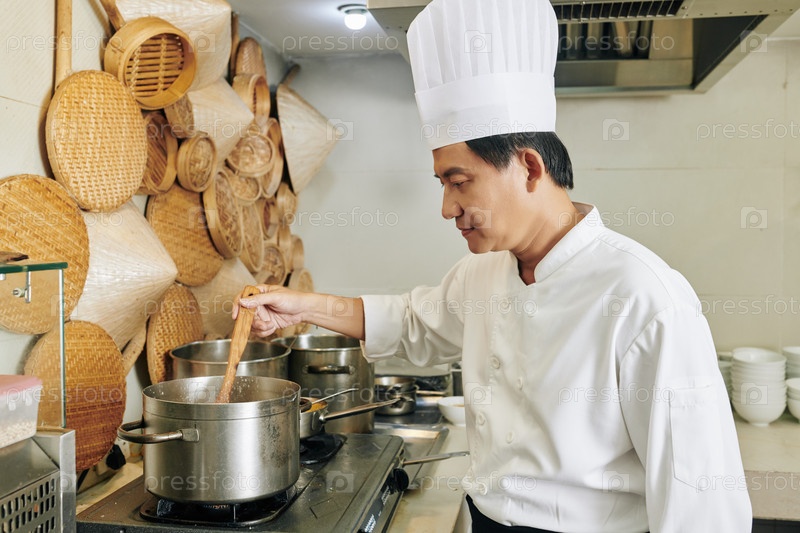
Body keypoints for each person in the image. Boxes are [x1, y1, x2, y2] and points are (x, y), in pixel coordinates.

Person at [235, 0, 753, 530]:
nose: (447, 208)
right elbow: (412, 322)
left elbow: (701, 498)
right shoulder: (481, 274)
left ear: (529, 167)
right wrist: (300, 306)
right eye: (443, 184)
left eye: (459, 182)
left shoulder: (645, 295)